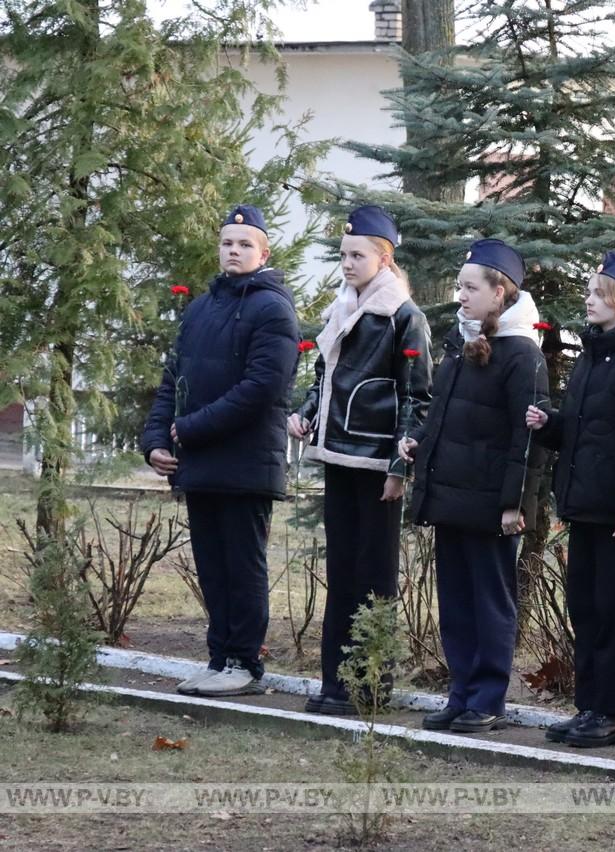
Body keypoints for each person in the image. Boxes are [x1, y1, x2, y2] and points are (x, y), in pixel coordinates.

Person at [142, 204, 299, 697]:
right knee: (212, 566)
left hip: (246, 462)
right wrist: (155, 440)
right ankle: (219, 657)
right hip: (201, 459)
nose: (234, 251)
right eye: (227, 243)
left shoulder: (273, 308)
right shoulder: (202, 307)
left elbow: (263, 388)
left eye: (244, 244)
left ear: (263, 252)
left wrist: (189, 429)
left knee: (241, 565)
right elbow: (174, 378)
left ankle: (245, 664)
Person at [399, 239, 548, 734]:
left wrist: (514, 504)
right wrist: (418, 441)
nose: (460, 296)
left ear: (499, 292)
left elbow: (526, 441)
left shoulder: (522, 353)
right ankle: (461, 694)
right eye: (460, 287)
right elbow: (441, 413)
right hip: (452, 499)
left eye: (470, 287)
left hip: (490, 507)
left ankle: (488, 698)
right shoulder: (461, 346)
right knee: (458, 604)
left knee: (490, 603)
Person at [526, 251, 615, 748]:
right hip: (584, 504)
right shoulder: (595, 355)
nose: (587, 301)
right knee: (585, 609)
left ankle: (614, 712)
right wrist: (552, 426)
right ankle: (589, 705)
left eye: (596, 293)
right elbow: (588, 431)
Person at [289, 205, 430, 715]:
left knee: (373, 577)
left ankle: (370, 685)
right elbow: (323, 379)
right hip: (336, 456)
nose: (347, 264)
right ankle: (336, 682)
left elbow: (418, 399)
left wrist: (399, 468)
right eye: (343, 255)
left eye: (357, 255)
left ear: (385, 259)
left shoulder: (405, 317)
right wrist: (305, 413)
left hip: (375, 466)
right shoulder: (341, 306)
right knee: (343, 572)